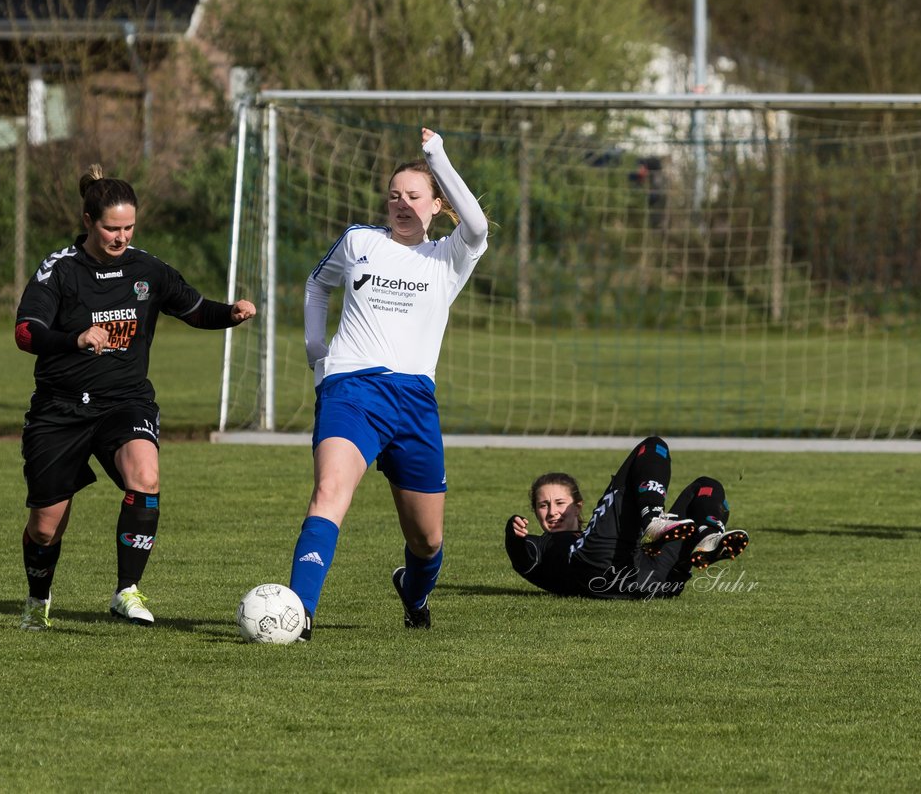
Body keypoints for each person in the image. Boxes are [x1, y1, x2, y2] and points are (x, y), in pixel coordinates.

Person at [14, 164, 255, 630]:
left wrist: (231, 313)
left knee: (145, 476)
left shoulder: (147, 269)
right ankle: (37, 600)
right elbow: (27, 332)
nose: (121, 236)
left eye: (128, 227)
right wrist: (75, 339)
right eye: (111, 228)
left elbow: (195, 308)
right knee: (46, 525)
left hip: (125, 400)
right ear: (88, 221)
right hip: (60, 408)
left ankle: (127, 591)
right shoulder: (60, 270)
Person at [286, 127, 488, 640]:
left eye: (413, 196)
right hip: (351, 388)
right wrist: (316, 350)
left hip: (415, 401)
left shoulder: (448, 257)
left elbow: (480, 224)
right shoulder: (360, 242)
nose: (401, 203)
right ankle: (299, 614)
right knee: (330, 491)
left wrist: (436, 156)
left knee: (427, 539)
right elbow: (317, 284)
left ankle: (414, 591)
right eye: (394, 195)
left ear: (438, 204)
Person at [505, 436, 750, 599]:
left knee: (706, 487)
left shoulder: (600, 527)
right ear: (535, 510)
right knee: (653, 446)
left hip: (653, 581)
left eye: (559, 503)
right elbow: (522, 557)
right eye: (542, 505)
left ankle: (708, 539)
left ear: (578, 507)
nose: (552, 512)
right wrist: (513, 534)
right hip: (592, 566)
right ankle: (653, 519)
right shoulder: (541, 545)